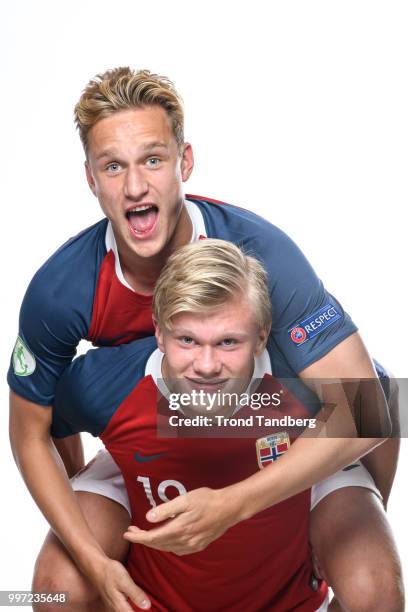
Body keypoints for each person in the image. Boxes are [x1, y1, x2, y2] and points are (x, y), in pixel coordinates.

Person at [7, 68, 402, 611]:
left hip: (277, 426)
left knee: (374, 583)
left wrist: (340, 516)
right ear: (91, 178)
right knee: (55, 589)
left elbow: (371, 403)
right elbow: (35, 429)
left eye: (152, 159)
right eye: (113, 166)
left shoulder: (264, 256)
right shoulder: (64, 293)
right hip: (155, 442)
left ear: (184, 162)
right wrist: (91, 544)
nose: (136, 186)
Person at [51, 239, 390, 611]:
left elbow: (380, 402)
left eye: (228, 341)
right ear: (159, 333)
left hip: (290, 576)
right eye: (187, 340)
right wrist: (87, 497)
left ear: (261, 337)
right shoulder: (109, 383)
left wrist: (360, 505)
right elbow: (47, 424)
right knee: (55, 589)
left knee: (377, 589)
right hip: (154, 574)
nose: (208, 365)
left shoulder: (299, 378)